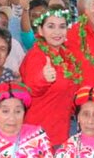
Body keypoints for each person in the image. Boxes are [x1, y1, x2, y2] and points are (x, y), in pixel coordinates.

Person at [21, 8, 81, 147]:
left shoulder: (67, 56)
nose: (57, 32)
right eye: (51, 26)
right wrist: (43, 78)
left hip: (61, 132)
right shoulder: (36, 54)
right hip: (38, 136)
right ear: (41, 31)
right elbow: (31, 87)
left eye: (62, 26)